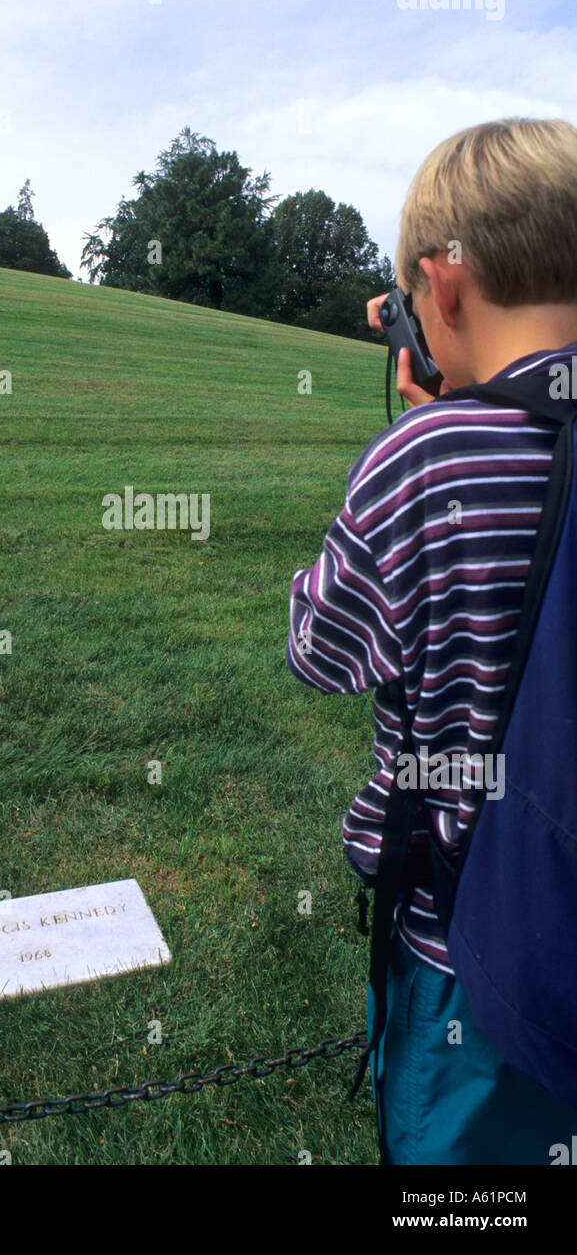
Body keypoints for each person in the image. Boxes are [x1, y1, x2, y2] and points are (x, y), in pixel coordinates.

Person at [286, 116, 577, 1164]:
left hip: (469, 952)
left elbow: (321, 648)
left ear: (442, 289)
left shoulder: (426, 457)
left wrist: (411, 434)